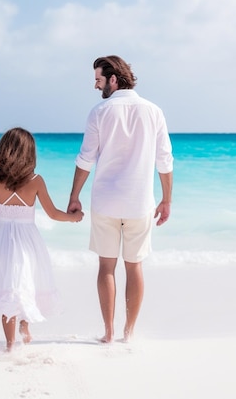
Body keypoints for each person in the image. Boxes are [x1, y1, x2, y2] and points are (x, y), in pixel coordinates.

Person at [67, 55, 174, 344]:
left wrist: (74, 196)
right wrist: (166, 200)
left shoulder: (100, 112)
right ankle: (129, 333)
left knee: (106, 267)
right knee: (134, 265)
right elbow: (165, 160)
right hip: (140, 202)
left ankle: (109, 333)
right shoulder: (154, 111)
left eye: (98, 80)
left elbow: (86, 158)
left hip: (105, 202)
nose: (96, 86)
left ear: (114, 79)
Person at [0, 127, 83, 351]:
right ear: (29, 153)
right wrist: (74, 218)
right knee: (24, 283)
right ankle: (24, 328)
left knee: (9, 288)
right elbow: (53, 213)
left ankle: (10, 344)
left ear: (4, 150)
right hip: (28, 241)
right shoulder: (36, 181)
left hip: (2, 240)